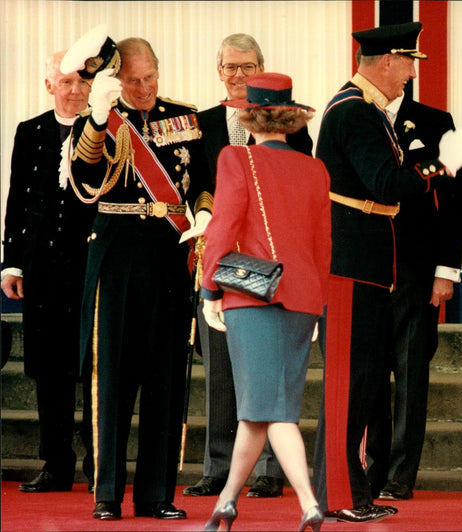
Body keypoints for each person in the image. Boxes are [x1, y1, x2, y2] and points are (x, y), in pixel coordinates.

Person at [312, 21, 462, 524]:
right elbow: (385, 184)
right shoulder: (356, 112)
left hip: (366, 263)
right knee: (353, 380)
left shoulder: (364, 108)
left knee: (361, 380)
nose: (410, 75)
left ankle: (352, 490)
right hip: (353, 265)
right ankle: (340, 493)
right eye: (408, 64)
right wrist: (437, 164)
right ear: (387, 62)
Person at [66, 34, 212, 520]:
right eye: (134, 80)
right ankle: (106, 491)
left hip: (171, 256)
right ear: (116, 80)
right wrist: (99, 116)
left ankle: (157, 494)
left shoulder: (185, 116)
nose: (145, 87)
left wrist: (206, 215)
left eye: (150, 77)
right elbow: (83, 175)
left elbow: (206, 179)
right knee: (110, 375)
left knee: (166, 377)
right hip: (117, 255)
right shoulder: (102, 118)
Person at [183, 32, 313, 500]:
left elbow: (303, 187)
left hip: (276, 265)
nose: (238, 75)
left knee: (274, 373)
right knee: (221, 369)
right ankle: (218, 467)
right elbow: (195, 182)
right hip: (224, 261)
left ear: (261, 69)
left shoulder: (293, 125)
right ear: (218, 69)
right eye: (231, 67)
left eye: (248, 67)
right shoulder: (200, 123)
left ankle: (267, 471)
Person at [200, 72, 329, 532]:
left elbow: (222, 227)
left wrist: (209, 289)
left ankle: (310, 503)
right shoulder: (315, 168)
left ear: (249, 117)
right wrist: (319, 304)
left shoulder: (235, 158)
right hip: (302, 300)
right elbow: (322, 245)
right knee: (260, 409)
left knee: (272, 411)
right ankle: (227, 503)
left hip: (250, 298)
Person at [365, 87, 462, 501]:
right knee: (371, 373)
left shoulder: (434, 121)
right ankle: (373, 468)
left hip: (418, 270)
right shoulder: (357, 117)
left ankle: (400, 475)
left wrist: (446, 270)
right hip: (369, 268)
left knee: (411, 373)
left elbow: (455, 201)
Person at [1, 50, 95, 494]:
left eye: (82, 82)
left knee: (94, 368)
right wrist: (12, 263)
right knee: (49, 372)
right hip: (42, 270)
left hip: (92, 268)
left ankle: (99, 465)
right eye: (66, 82)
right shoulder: (30, 131)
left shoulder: (110, 129)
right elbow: (17, 200)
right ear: (50, 86)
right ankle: (56, 464)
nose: (75, 91)